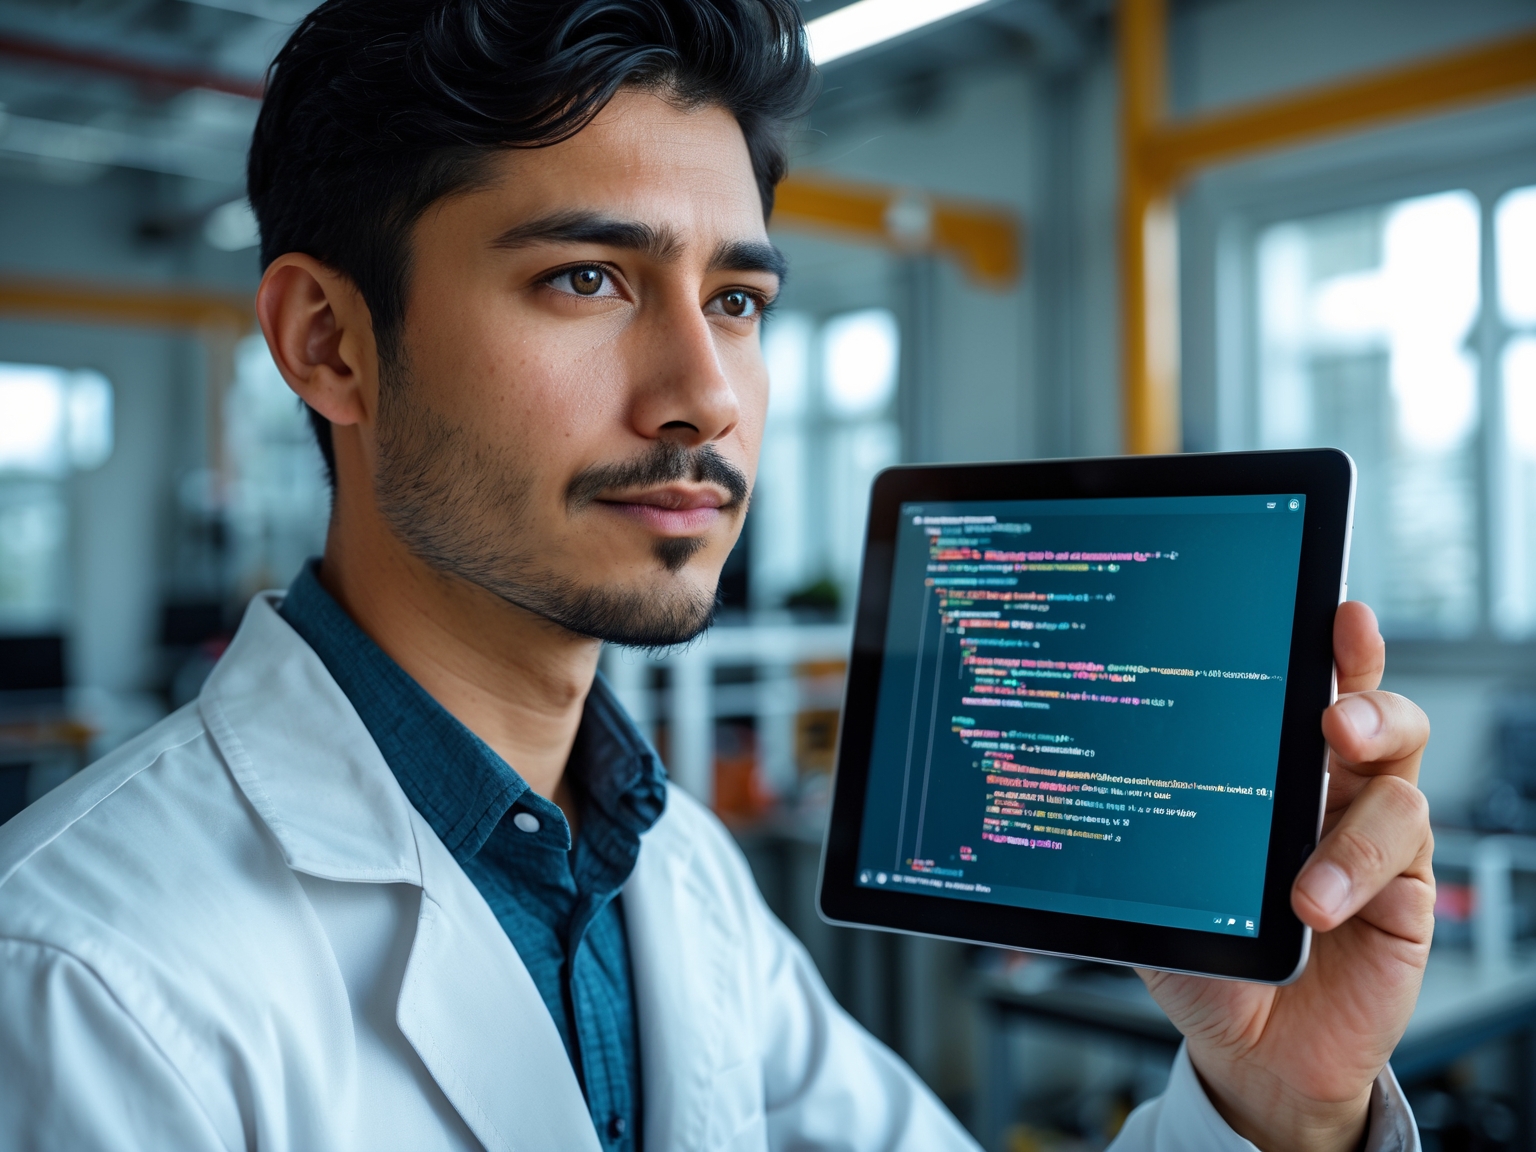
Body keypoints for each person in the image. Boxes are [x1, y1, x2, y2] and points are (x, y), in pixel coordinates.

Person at [0, 2, 1434, 1149]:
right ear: (329, 342)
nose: (707, 395)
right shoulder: (81, 984)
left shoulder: (663, 866)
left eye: (736, 300)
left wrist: (1275, 1102)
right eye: (589, 279)